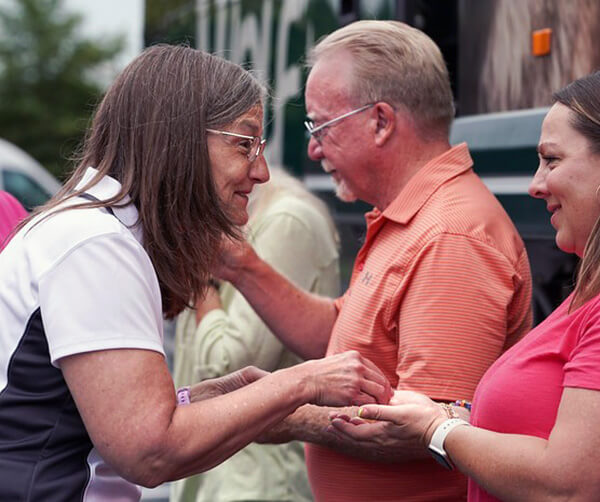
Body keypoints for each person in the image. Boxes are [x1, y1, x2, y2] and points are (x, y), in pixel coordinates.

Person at [0, 44, 392, 502]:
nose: (261, 171)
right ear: (179, 139)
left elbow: (116, 417)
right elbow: (148, 450)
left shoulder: (93, 230)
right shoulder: (97, 243)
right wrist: (303, 380)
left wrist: (216, 395)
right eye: (244, 144)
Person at [331, 63, 600, 501]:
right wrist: (451, 416)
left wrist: (437, 429)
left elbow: (569, 487)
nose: (535, 185)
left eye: (551, 160)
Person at [215, 20, 533, 502]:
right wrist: (238, 264)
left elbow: (423, 430)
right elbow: (341, 336)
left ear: (381, 121)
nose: (313, 148)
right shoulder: (417, 217)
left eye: (321, 125)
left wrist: (275, 407)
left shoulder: (450, 236)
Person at [171, 166, 340, 502]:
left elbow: (228, 364)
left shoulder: (286, 221)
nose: (313, 151)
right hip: (221, 477)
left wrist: (202, 278)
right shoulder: (252, 217)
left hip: (259, 484)